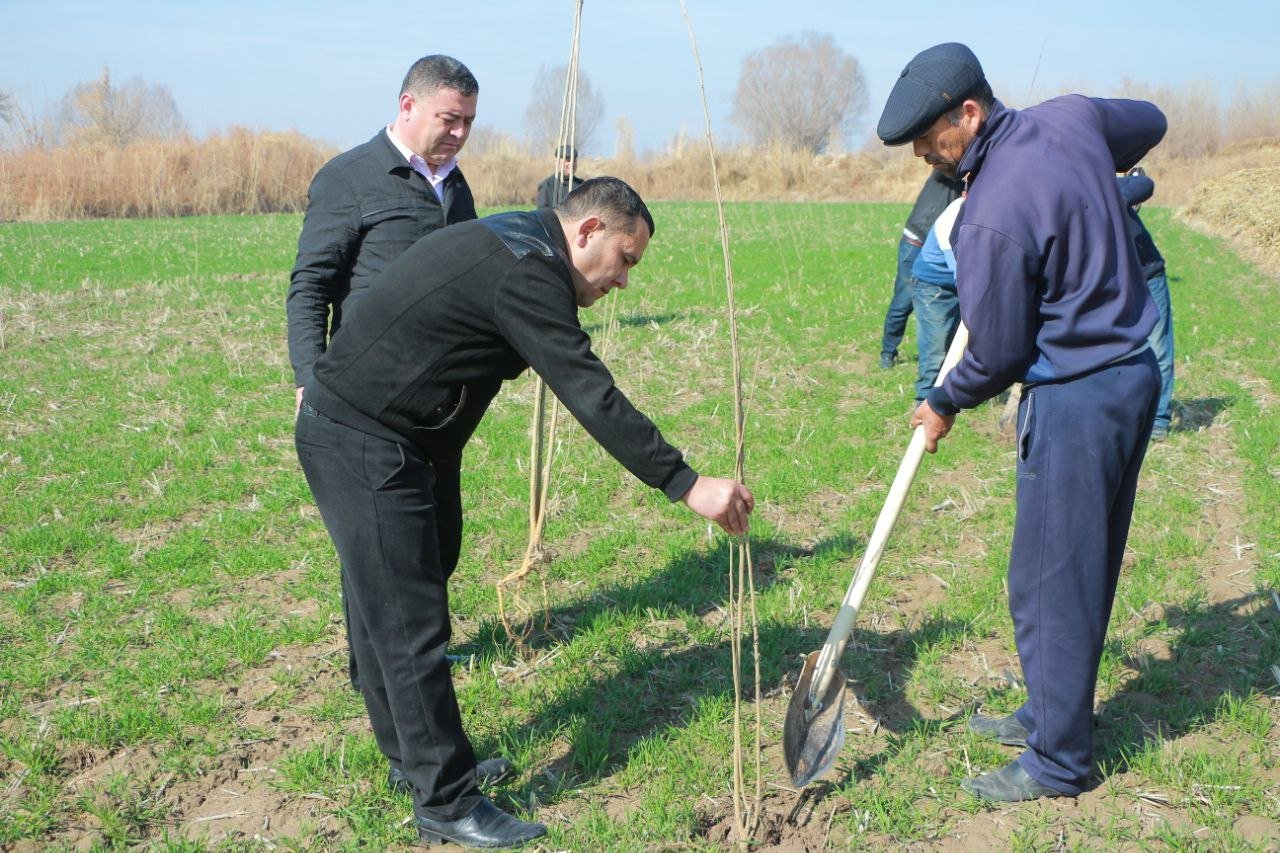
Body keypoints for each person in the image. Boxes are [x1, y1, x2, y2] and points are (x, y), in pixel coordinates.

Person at [295, 177, 755, 848]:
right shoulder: (528, 273)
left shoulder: (523, 238)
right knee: (407, 624)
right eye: (626, 260)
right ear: (589, 230)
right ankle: (445, 802)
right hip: (364, 440)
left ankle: (412, 760)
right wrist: (686, 483)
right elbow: (590, 393)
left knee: (393, 607)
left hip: (395, 437)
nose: (623, 282)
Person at [877, 42, 1166, 802]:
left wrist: (941, 401)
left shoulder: (991, 214)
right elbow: (1153, 120)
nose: (925, 161)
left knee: (1045, 582)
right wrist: (1096, 176)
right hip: (1134, 375)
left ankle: (1058, 761)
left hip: (1074, 398)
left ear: (968, 113)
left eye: (930, 143)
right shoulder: (1070, 119)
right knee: (1083, 565)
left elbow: (998, 349)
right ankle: (1051, 709)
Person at [287, 54, 480, 415]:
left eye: (468, 121)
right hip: (364, 391)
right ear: (408, 106)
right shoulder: (347, 177)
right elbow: (311, 287)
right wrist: (309, 382)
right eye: (450, 119)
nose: (460, 133)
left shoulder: (455, 184)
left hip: (442, 395)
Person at [877, 170, 965, 369]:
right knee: (904, 300)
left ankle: (949, 356)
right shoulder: (944, 172)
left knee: (955, 301)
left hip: (941, 248)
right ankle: (887, 352)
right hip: (916, 242)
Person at [1118, 166, 1175, 440]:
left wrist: (1114, 189)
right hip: (1115, 285)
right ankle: (1129, 415)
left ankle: (1160, 420)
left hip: (1147, 275)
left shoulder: (1105, 189)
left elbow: (1143, 185)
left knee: (1159, 348)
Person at [909, 195, 964, 400]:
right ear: (966, 194)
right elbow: (962, 273)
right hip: (932, 289)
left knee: (955, 347)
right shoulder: (952, 217)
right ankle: (924, 401)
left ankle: (953, 395)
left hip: (954, 286)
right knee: (936, 350)